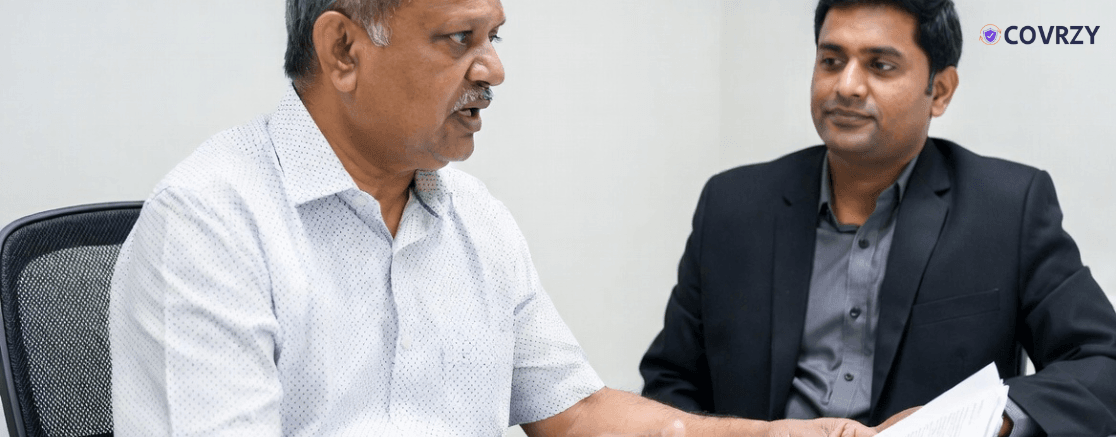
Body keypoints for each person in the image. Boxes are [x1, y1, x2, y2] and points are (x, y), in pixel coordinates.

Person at [108, 0, 877, 436]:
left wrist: (776, 435)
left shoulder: (472, 216)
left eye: (494, 37)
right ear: (343, 49)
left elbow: (576, 413)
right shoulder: (210, 225)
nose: (494, 68)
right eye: (459, 39)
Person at [639, 0, 1116, 436]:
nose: (846, 85)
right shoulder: (734, 205)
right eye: (831, 61)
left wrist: (996, 419)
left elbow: (1103, 363)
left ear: (940, 91)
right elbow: (671, 382)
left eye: (880, 65)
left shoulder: (1006, 208)